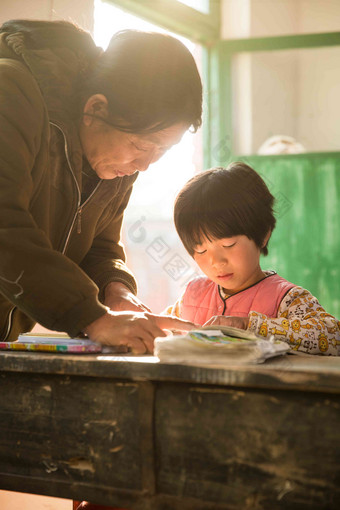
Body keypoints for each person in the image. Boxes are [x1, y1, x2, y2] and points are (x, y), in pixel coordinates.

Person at [0, 19, 203, 352]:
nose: (144, 165)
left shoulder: (112, 160)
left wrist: (116, 291)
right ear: (95, 108)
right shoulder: (11, 92)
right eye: (142, 145)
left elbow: (101, 247)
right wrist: (92, 317)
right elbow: (5, 227)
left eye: (161, 151)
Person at [166, 162, 340, 355]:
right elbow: (160, 331)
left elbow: (334, 338)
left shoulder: (287, 299)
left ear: (263, 234)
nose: (216, 261)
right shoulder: (192, 296)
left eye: (228, 245)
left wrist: (251, 325)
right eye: (201, 250)